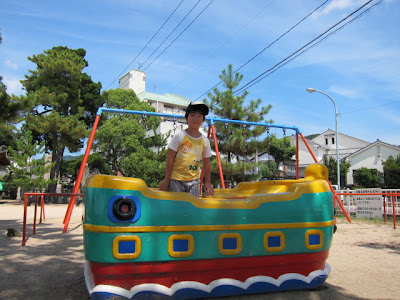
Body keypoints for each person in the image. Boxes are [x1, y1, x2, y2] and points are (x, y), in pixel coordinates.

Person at [159, 101, 214, 197]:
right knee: (177, 206)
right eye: (192, 115)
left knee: (192, 208)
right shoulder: (179, 136)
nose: (195, 119)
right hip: (176, 178)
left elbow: (207, 162)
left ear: (203, 120)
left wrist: (208, 182)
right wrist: (167, 179)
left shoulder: (204, 140)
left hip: (194, 181)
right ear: (186, 118)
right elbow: (170, 158)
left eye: (199, 116)